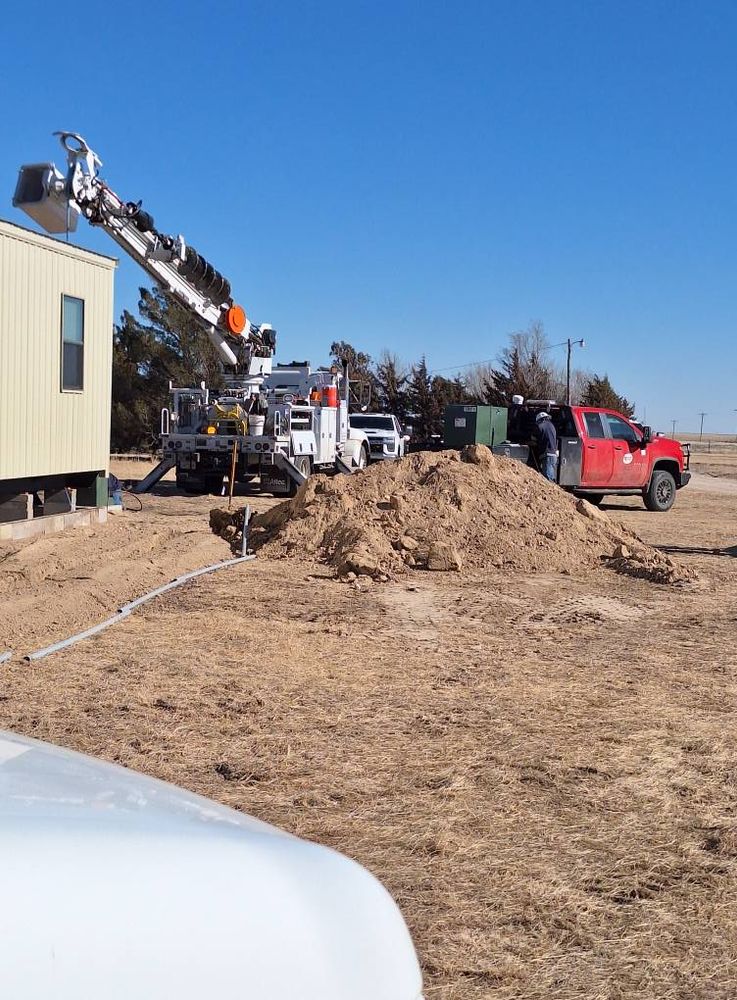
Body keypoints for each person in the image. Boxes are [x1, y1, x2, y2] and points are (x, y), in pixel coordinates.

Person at [535, 411, 558, 483]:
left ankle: (552, 492)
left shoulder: (541, 426)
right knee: (551, 475)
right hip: (553, 454)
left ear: (540, 420)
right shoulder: (552, 426)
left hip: (547, 454)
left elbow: (536, 437)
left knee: (547, 478)